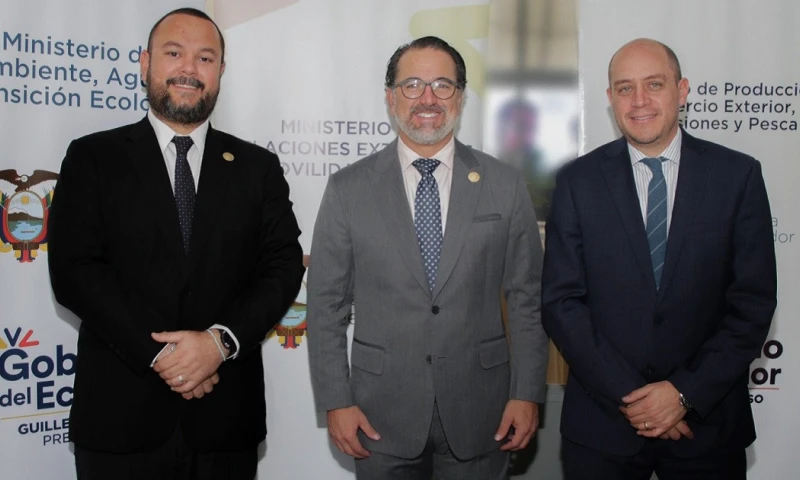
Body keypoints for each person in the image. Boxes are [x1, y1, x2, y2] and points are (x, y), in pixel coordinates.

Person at [47, 8, 304, 480]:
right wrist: (165, 355)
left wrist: (219, 343)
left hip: (226, 423)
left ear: (221, 73)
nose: (189, 68)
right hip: (119, 423)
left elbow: (283, 265)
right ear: (145, 63)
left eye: (205, 57)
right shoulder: (92, 157)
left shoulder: (256, 168)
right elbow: (75, 271)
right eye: (173, 53)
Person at [306, 36, 548, 479]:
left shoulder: (504, 184)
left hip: (483, 411)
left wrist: (527, 392)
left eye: (442, 85)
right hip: (379, 414)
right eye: (412, 84)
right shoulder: (348, 190)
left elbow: (527, 300)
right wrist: (337, 400)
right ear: (390, 96)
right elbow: (325, 308)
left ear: (460, 96)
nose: (428, 99)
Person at [542, 38, 777, 479]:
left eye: (654, 84)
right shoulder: (577, 182)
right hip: (603, 426)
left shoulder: (737, 176)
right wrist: (636, 398)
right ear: (610, 98)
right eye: (625, 88)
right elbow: (562, 303)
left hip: (706, 427)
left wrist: (683, 394)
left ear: (682, 89)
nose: (640, 100)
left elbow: (752, 304)